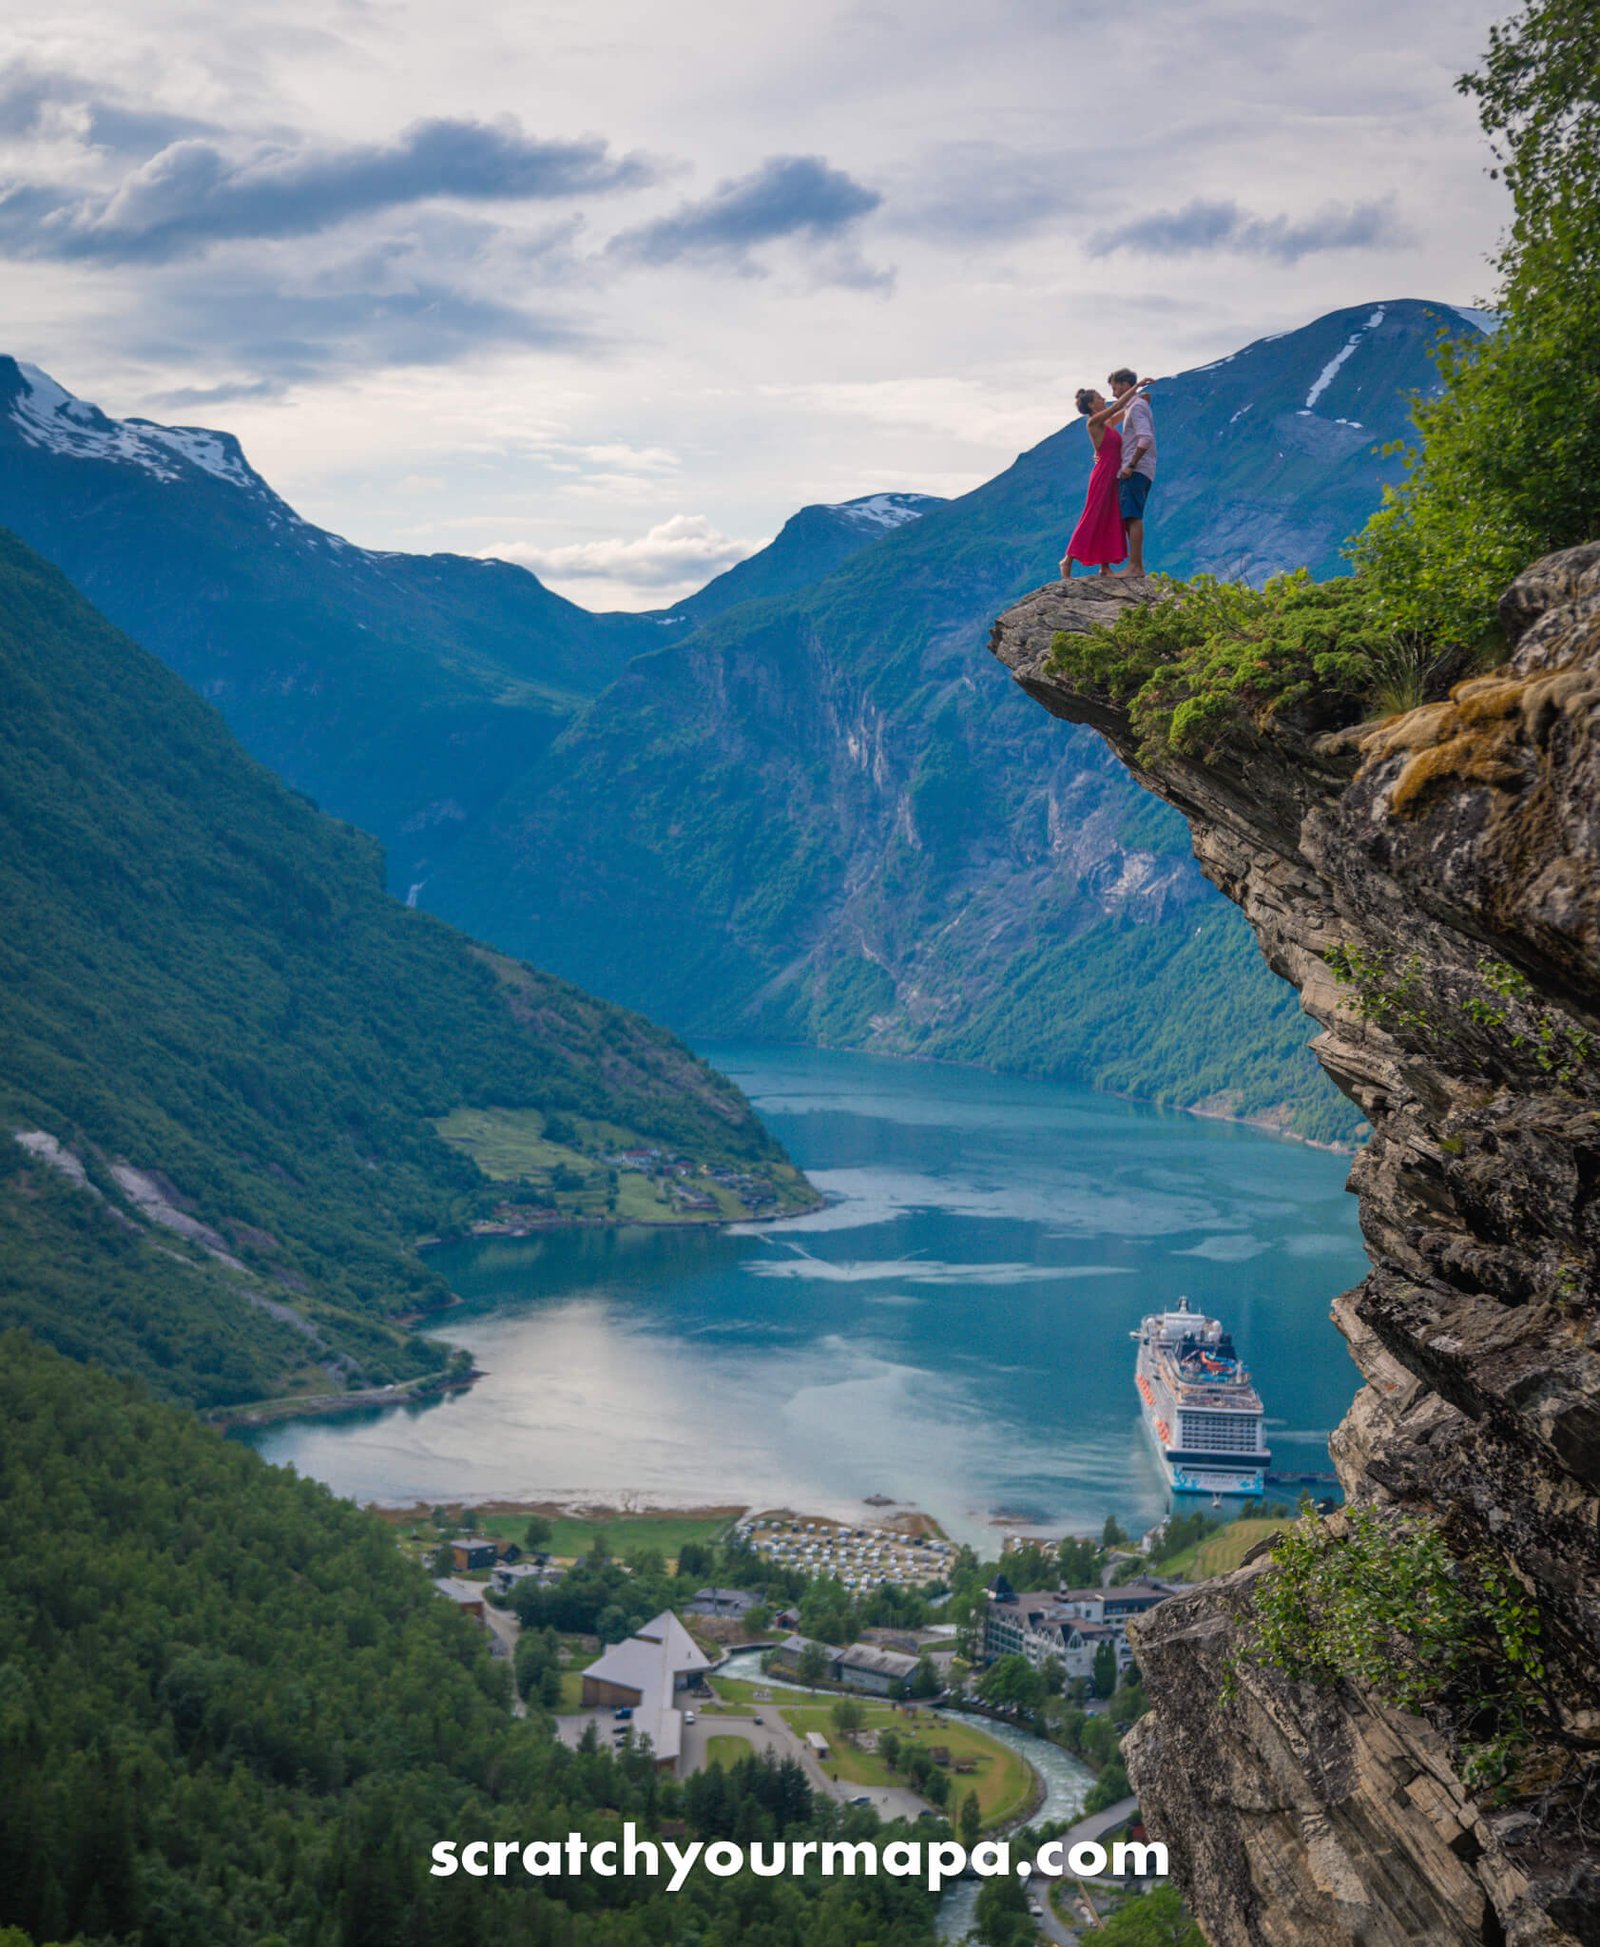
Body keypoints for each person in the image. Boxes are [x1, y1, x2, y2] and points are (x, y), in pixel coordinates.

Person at [1059, 387, 1128, 578]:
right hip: (1103, 474)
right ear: (1091, 404)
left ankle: (1105, 567)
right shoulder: (1094, 421)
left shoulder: (1107, 422)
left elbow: (1123, 411)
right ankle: (1068, 560)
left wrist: (1140, 402)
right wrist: (1136, 389)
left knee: (1110, 516)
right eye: (1099, 397)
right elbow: (1119, 406)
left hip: (1113, 474)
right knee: (1092, 516)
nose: (1103, 398)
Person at [1108, 366, 1157, 575]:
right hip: (1141, 468)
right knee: (1130, 515)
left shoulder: (1135, 407)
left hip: (1135, 469)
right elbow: (1111, 420)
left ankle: (1135, 566)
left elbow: (1145, 438)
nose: (1113, 394)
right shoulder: (1135, 406)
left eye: (1115, 388)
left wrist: (1131, 464)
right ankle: (1135, 565)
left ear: (1126, 385)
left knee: (1132, 516)